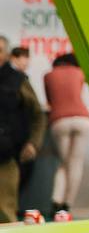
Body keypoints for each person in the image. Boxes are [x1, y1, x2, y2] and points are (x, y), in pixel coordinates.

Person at [0, 47, 45, 223]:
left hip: (6, 155)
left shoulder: (17, 80)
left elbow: (37, 115)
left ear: (5, 55)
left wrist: (33, 143)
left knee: (5, 211)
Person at [45, 53, 89, 216]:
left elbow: (50, 101)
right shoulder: (80, 73)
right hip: (83, 119)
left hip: (59, 121)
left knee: (64, 163)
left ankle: (56, 200)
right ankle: (68, 203)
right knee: (76, 163)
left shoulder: (49, 76)